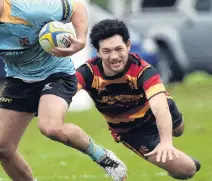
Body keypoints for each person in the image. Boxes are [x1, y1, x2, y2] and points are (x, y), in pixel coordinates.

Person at [0, 0, 127, 181]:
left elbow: (77, 8)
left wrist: (80, 41)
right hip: (19, 79)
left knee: (51, 127)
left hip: (56, 73)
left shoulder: (29, 8)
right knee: (2, 148)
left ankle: (104, 157)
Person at [76, 19, 201, 180]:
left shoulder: (143, 70)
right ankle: (185, 162)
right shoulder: (88, 72)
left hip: (157, 112)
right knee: (186, 170)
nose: (114, 57)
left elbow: (160, 108)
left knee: (178, 130)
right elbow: (65, 91)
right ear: (98, 52)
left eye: (119, 49)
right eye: (106, 51)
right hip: (132, 131)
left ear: (128, 45)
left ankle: (171, 141)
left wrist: (166, 143)